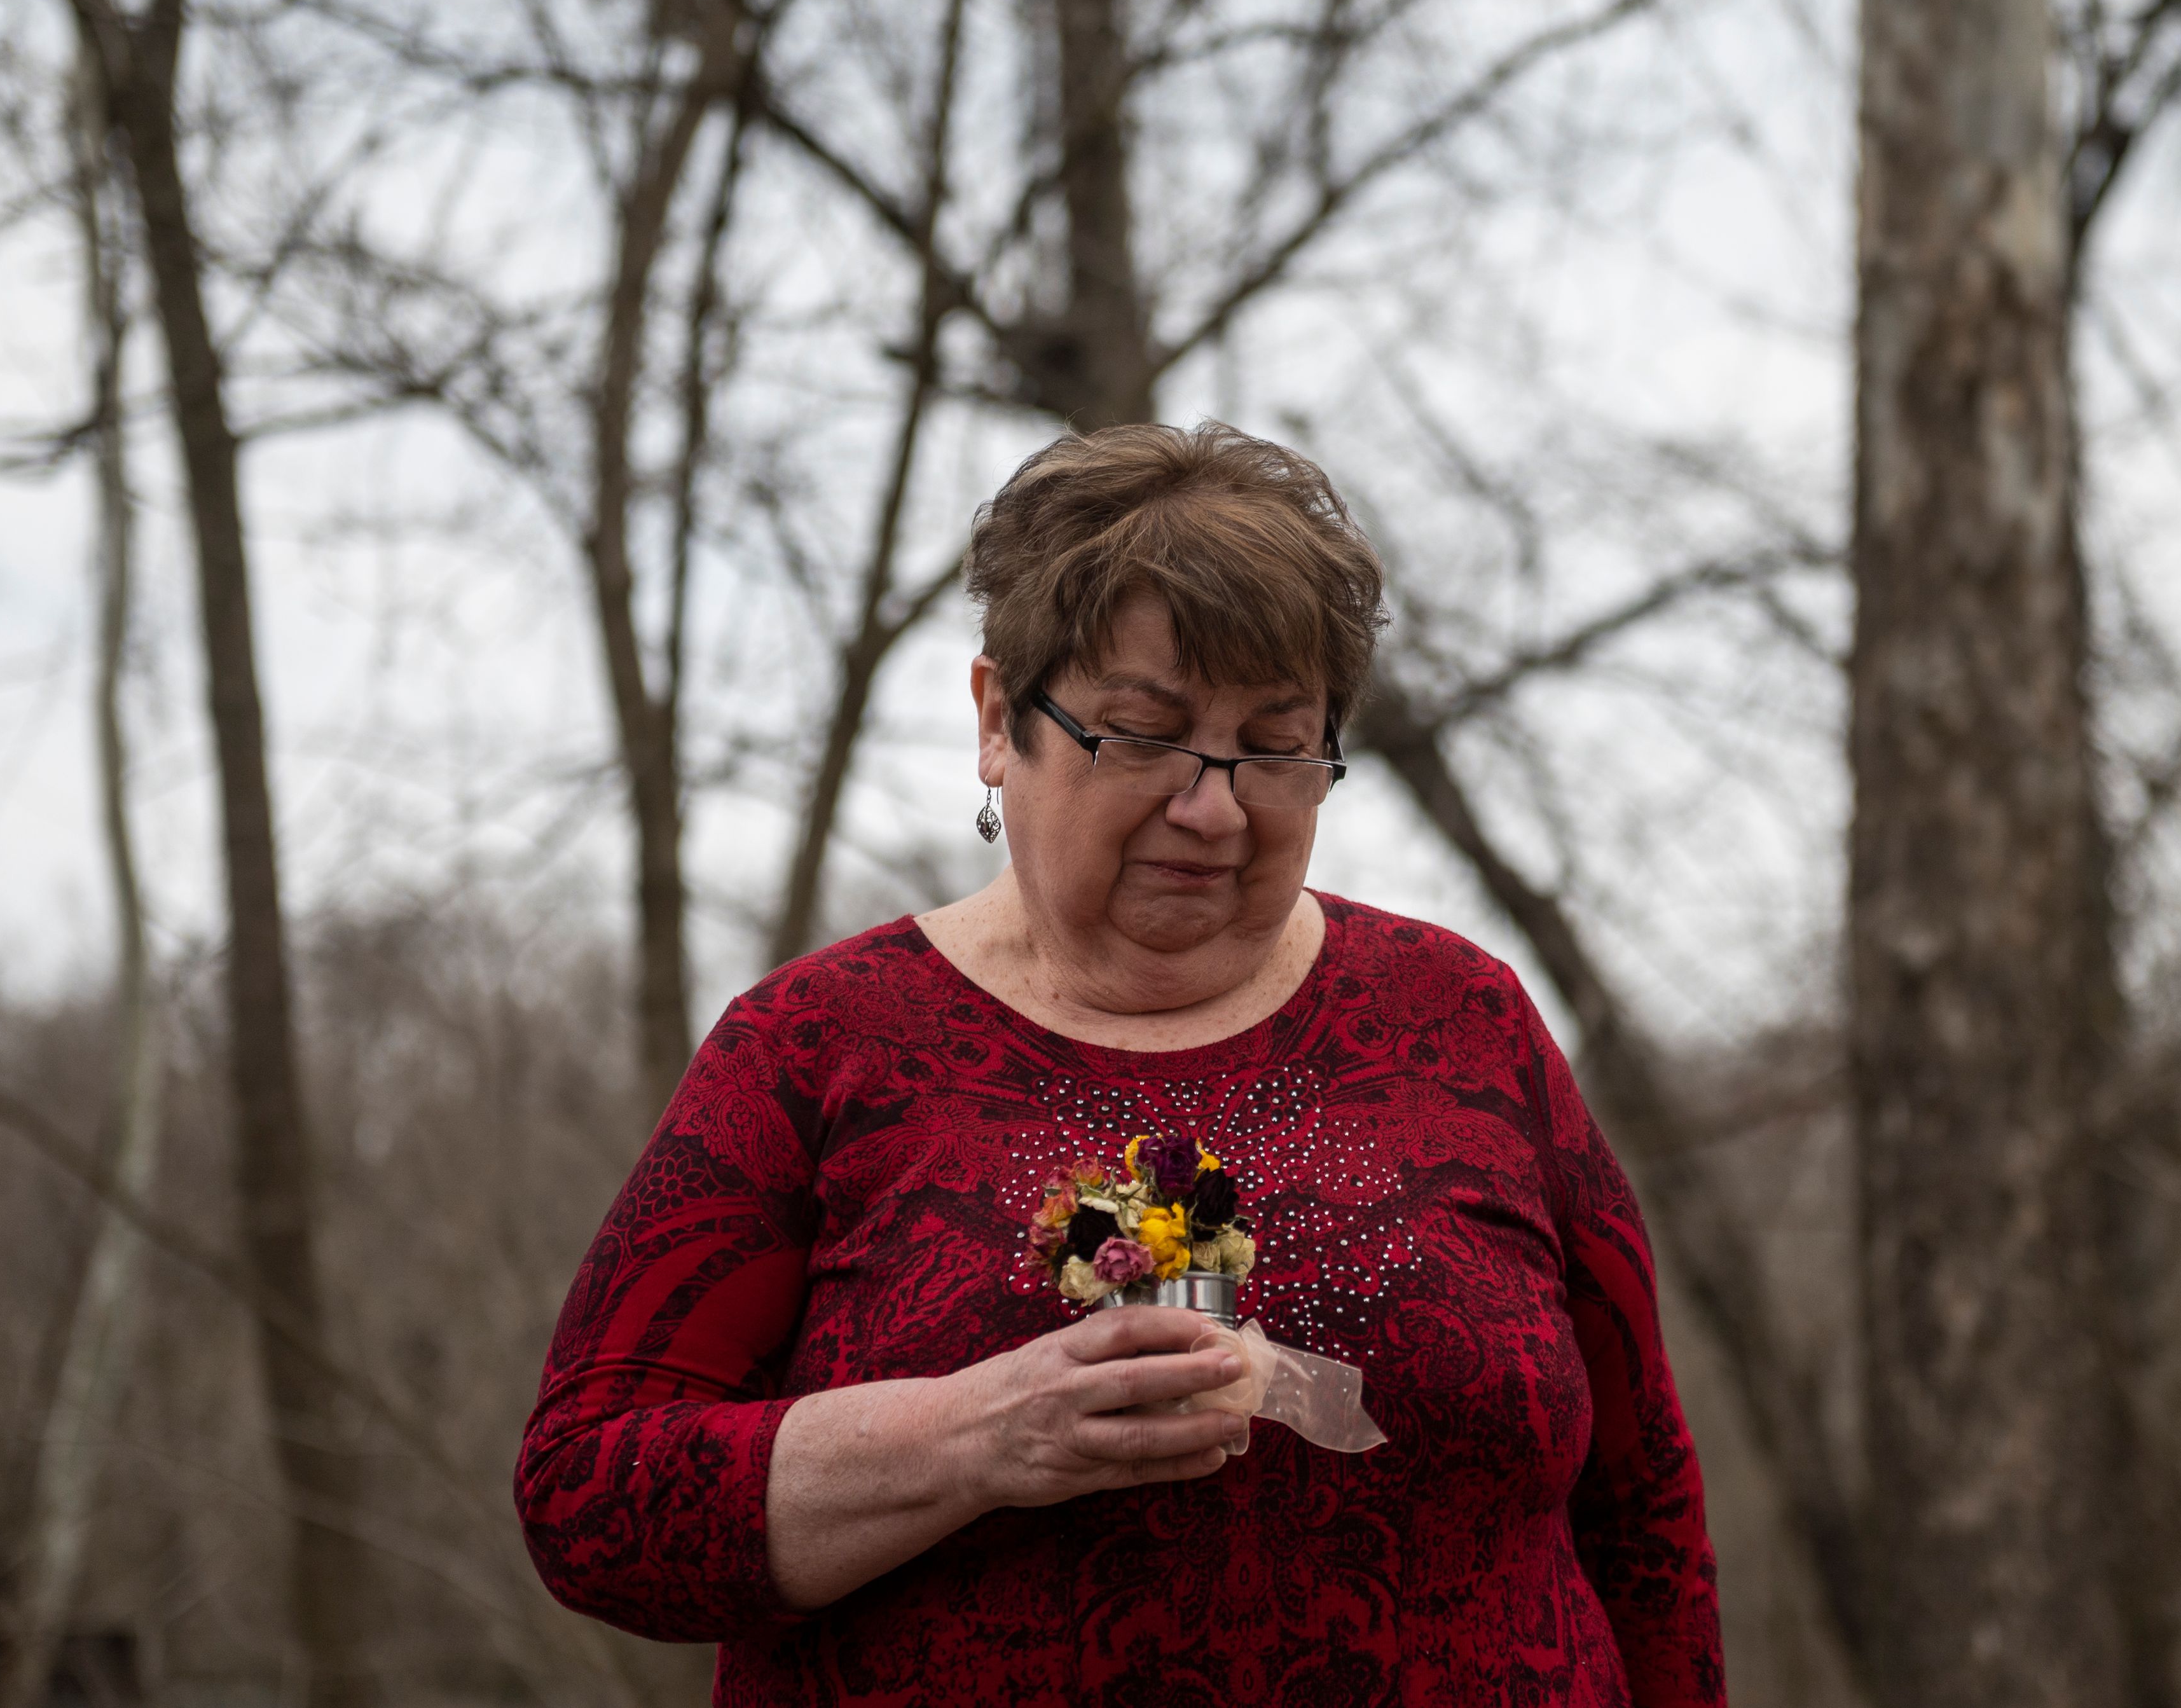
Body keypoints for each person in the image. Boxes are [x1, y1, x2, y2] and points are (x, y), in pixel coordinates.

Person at [515, 422, 1727, 1705]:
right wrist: (976, 1435)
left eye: (1273, 743)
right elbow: (589, 1498)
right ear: (999, 720)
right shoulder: (817, 1050)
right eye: (1141, 734)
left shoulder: (1459, 1022)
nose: (1210, 806)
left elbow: (1644, 1508)